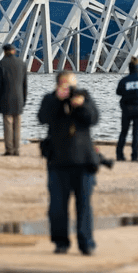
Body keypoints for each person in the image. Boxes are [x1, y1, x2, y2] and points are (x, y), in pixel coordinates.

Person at [38, 71, 100, 255]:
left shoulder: (84, 96)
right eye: (66, 85)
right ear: (58, 85)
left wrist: (80, 106)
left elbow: (94, 118)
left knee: (84, 205)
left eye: (72, 85)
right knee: (57, 205)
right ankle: (60, 242)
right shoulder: (50, 99)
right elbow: (42, 118)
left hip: (83, 161)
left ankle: (86, 243)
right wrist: (58, 100)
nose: (70, 89)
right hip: (58, 161)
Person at [0, 43, 28, 156]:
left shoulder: (1, 64)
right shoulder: (22, 63)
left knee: (8, 125)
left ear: (4, 52)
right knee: (17, 125)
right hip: (19, 99)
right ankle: (17, 150)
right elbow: (25, 84)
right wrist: (24, 100)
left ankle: (9, 150)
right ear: (14, 51)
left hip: (5, 99)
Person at [115, 56, 138, 162]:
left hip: (126, 109)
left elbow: (118, 92)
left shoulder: (124, 81)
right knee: (136, 133)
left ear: (129, 68)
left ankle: (119, 155)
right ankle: (135, 156)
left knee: (123, 132)